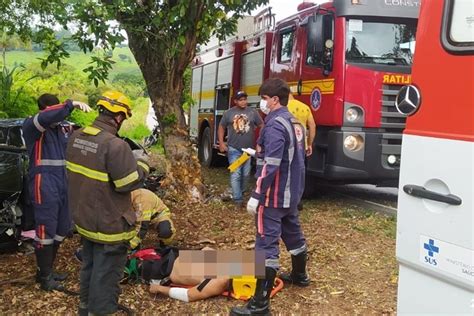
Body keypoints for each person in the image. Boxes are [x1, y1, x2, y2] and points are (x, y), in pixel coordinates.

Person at [66, 90, 150, 315]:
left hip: (84, 220)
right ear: (120, 117)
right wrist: (142, 165)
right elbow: (127, 183)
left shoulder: (76, 137)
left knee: (90, 268)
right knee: (106, 276)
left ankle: (85, 309)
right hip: (109, 225)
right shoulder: (115, 146)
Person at [231, 79, 311, 316]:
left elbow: (274, 163)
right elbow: (290, 156)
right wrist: (258, 153)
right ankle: (300, 275)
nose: (262, 103)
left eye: (264, 98)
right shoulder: (295, 122)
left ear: (275, 99)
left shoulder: (275, 124)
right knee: (294, 235)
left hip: (274, 196)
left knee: (266, 246)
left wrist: (257, 194)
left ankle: (259, 303)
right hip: (292, 194)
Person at [22, 94, 91, 291]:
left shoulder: (62, 129)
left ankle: (47, 270)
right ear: (44, 109)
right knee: (46, 228)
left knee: (62, 228)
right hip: (43, 182)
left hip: (62, 181)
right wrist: (71, 104)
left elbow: (80, 136)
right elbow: (47, 117)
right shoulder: (32, 126)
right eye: (55, 110)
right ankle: (44, 277)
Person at [74, 188, 176, 262]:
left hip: (157, 216)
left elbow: (142, 228)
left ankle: (165, 246)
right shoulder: (125, 198)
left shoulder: (141, 200)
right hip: (137, 217)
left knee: (166, 231)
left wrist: (129, 246)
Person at [218, 90, 264, 206]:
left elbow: (262, 125)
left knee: (246, 174)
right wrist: (222, 143)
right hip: (234, 148)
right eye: (241, 100)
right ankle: (238, 199)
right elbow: (221, 127)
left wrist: (261, 140)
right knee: (236, 173)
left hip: (248, 150)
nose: (243, 102)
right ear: (235, 101)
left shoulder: (253, 112)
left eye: (245, 99)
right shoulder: (228, 113)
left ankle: (240, 192)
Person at [149, 247, 230, 303]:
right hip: (176, 253)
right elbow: (206, 249)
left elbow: (189, 295)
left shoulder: (219, 281)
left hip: (164, 268)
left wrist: (160, 289)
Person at [287, 94, 317, 210]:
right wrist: (309, 144)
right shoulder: (305, 107)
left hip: (287, 145)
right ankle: (297, 200)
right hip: (301, 145)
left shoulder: (283, 107)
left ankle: (288, 199)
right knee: (299, 172)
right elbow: (312, 126)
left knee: (287, 171)